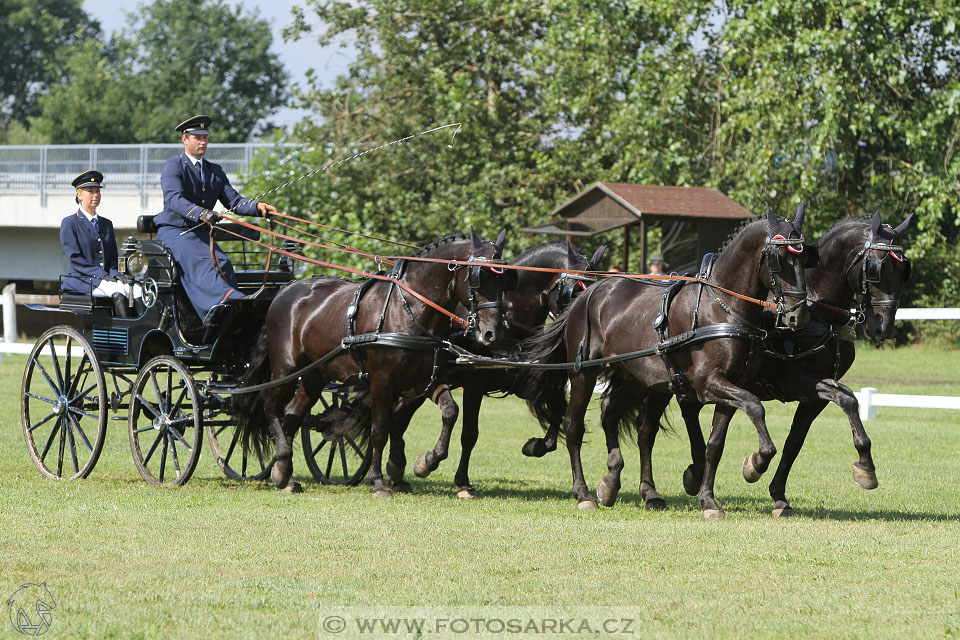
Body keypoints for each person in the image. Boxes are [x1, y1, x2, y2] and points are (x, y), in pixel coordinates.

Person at [155, 115, 277, 323]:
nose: (202, 142)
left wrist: (257, 207)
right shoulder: (173, 166)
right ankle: (218, 306)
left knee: (223, 262)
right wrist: (201, 213)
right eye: (197, 137)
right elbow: (174, 199)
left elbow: (234, 201)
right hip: (175, 232)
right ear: (185, 139)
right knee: (200, 264)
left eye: (205, 138)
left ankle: (232, 315)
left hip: (201, 234)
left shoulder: (215, 171)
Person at [60, 170, 142, 318]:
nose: (95, 195)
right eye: (90, 191)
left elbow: (111, 259)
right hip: (81, 279)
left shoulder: (106, 224)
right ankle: (128, 335)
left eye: (97, 191)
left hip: (104, 278)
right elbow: (76, 259)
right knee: (117, 291)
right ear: (79, 195)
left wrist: (117, 274)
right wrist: (102, 275)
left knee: (135, 289)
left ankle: (144, 331)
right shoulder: (70, 223)